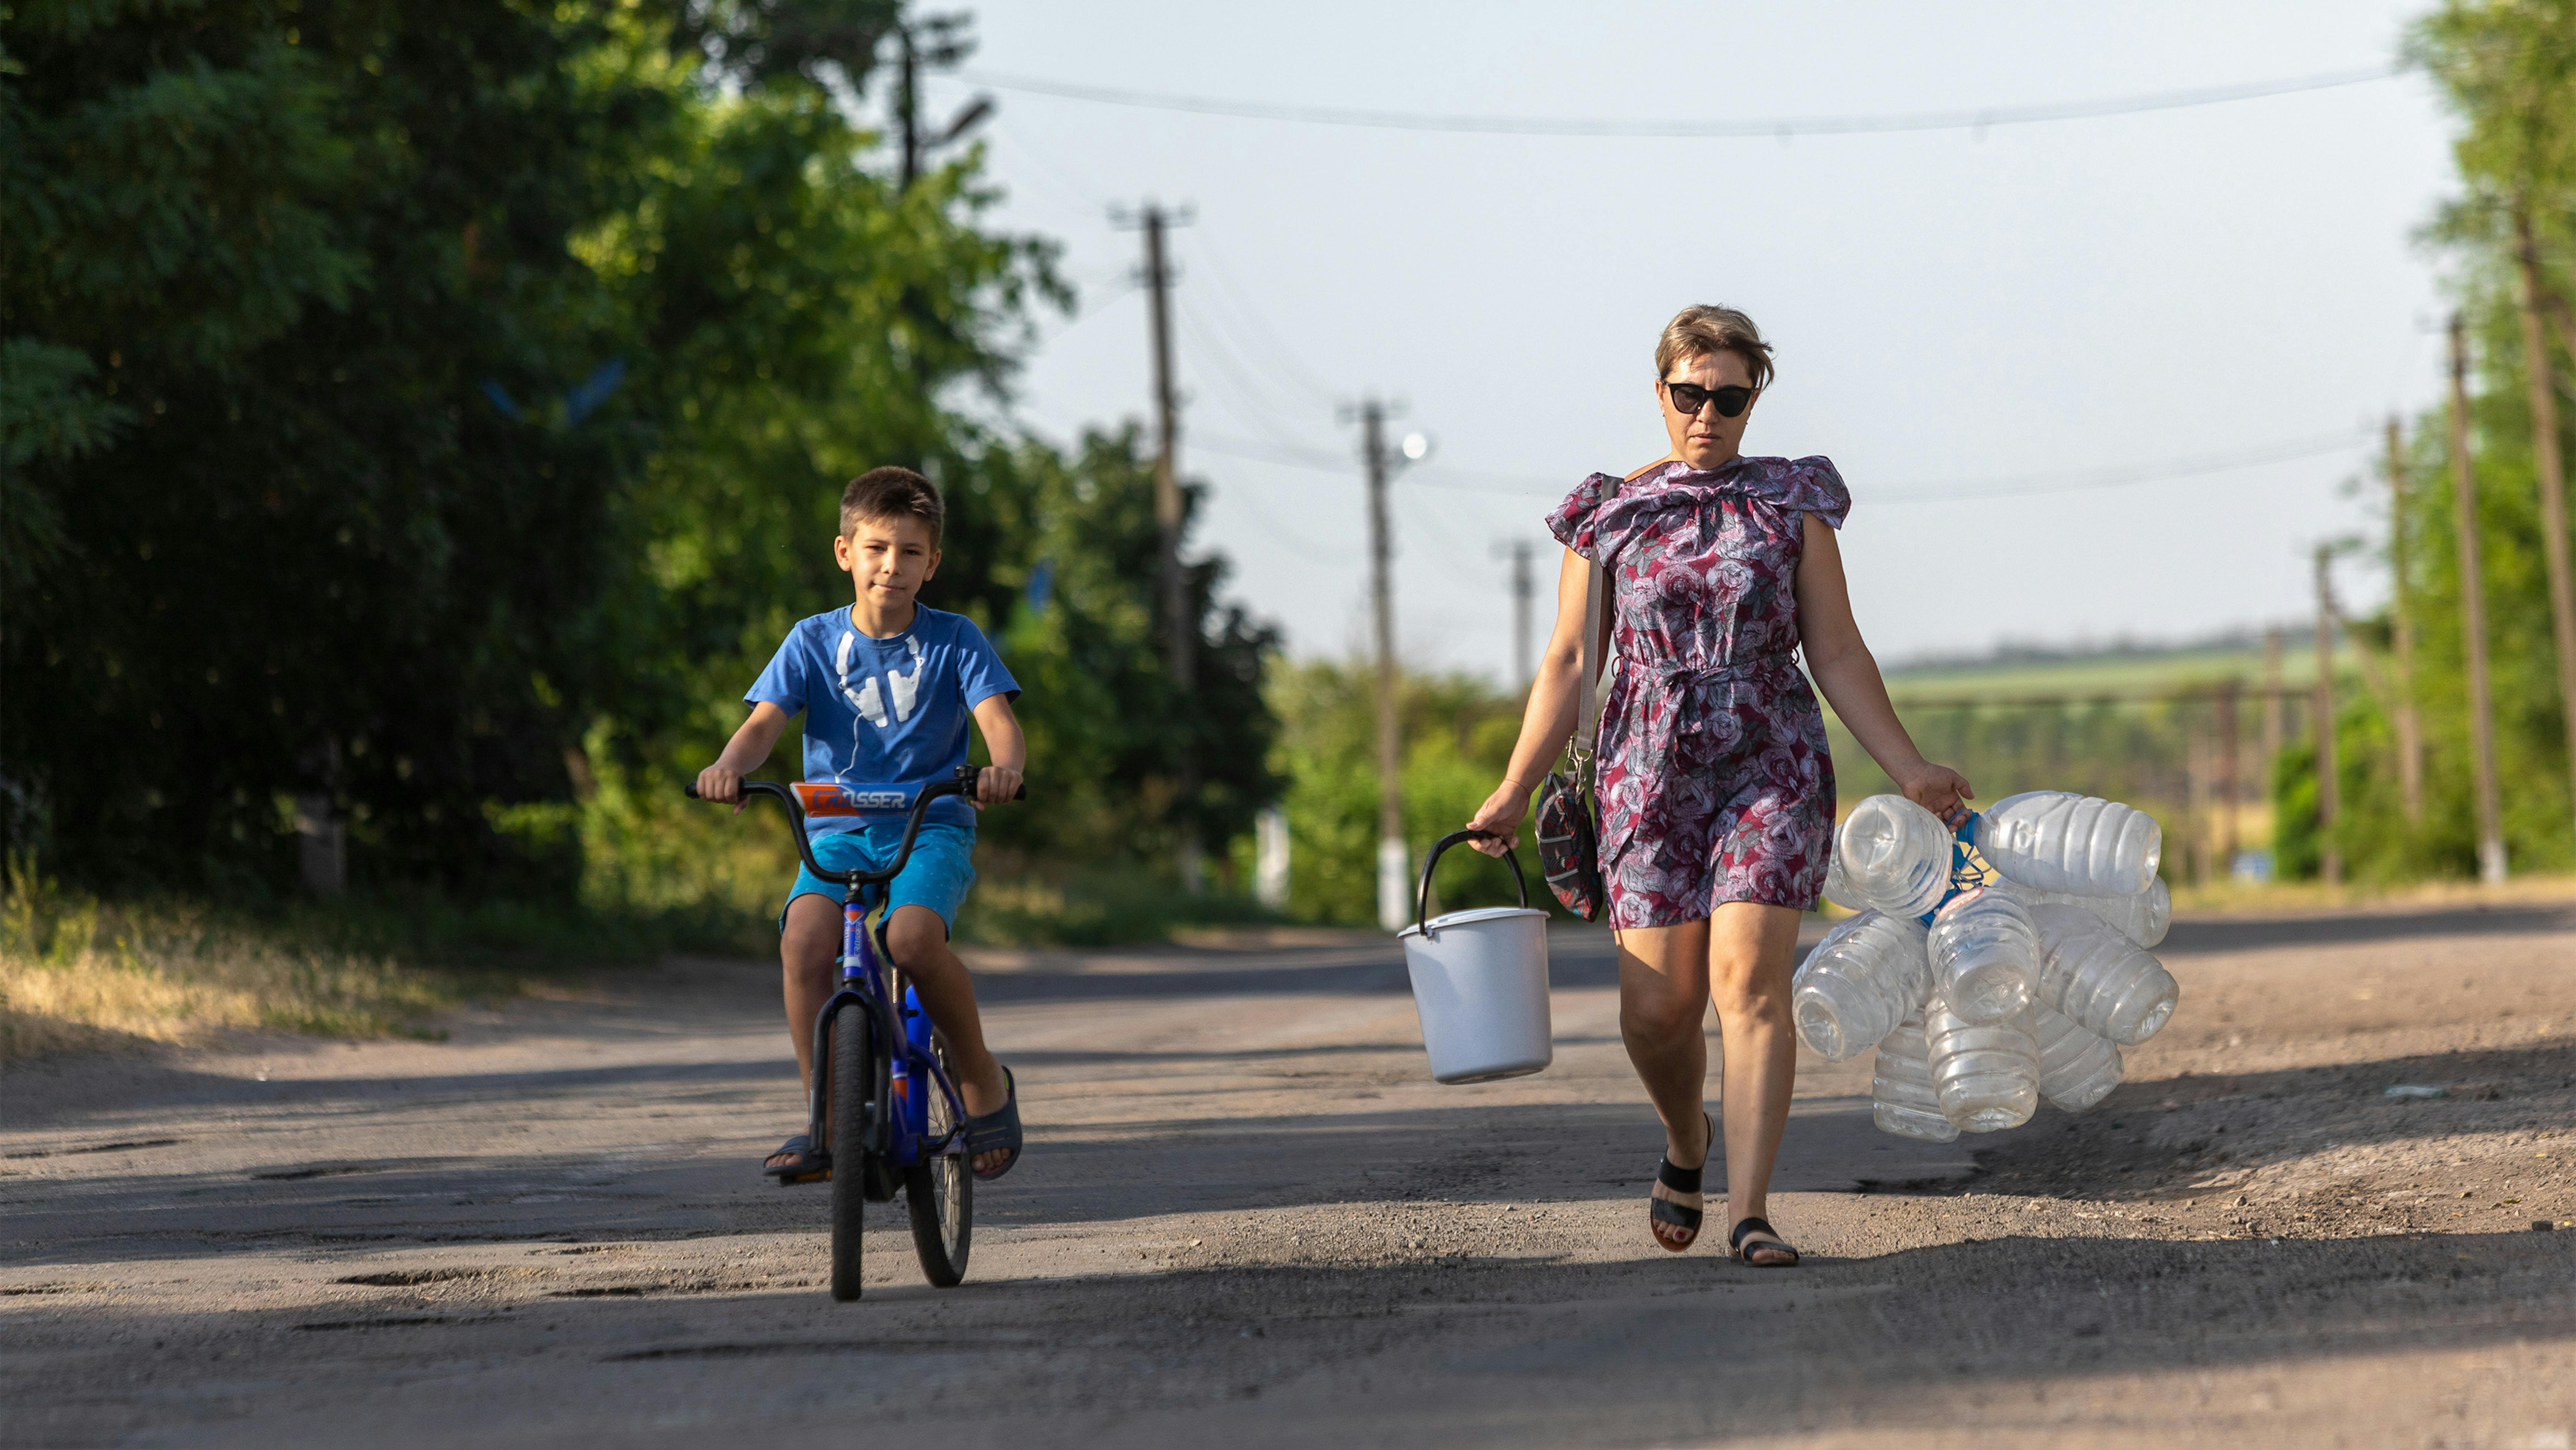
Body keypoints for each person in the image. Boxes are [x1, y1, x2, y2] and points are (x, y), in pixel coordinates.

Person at [1466, 305, 1971, 1266]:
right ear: (1661, 393)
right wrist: (1510, 786)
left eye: (1730, 397)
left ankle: (1751, 1211)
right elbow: (1572, 659)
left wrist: (1907, 767)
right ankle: (1685, 1138)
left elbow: (1836, 647)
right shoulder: (1606, 513)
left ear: (1753, 400)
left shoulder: (1793, 501)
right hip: (1644, 771)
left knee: (1749, 983)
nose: (1709, 413)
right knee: (1658, 1010)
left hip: (1769, 758)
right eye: (1691, 394)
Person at [696, 465, 1029, 1182]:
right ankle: (828, 1113)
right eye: (877, 547)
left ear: (932, 563)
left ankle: (979, 1078)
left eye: (911, 552)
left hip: (930, 821)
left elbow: (999, 722)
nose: (892, 565)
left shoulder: (956, 640)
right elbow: (762, 727)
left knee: (910, 938)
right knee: (804, 945)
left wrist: (1003, 769)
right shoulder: (811, 640)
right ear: (845, 551)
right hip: (834, 825)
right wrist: (728, 766)